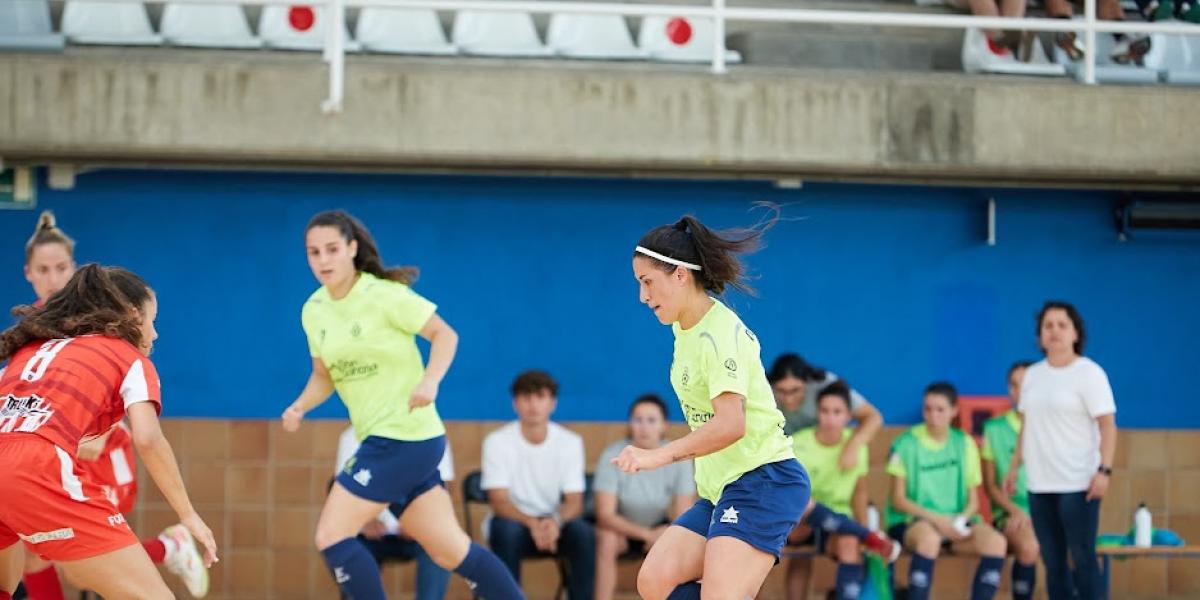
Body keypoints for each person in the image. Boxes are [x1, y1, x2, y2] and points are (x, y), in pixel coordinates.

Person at [281, 210, 522, 600]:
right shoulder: (314, 310)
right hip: (390, 442)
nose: (322, 260)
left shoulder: (384, 295)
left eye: (331, 249)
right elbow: (324, 376)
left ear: (352, 249)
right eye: (313, 252)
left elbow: (445, 335)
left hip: (403, 437)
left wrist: (430, 381)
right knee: (451, 551)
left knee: (332, 535)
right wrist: (299, 406)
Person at [613, 211, 810, 600]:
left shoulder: (719, 334)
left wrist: (659, 456)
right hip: (724, 488)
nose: (643, 296)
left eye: (648, 282)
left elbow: (730, 425)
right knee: (654, 582)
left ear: (681, 276)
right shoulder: (683, 328)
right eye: (639, 283)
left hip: (763, 481)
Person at [18, 212, 209, 600]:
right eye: (44, 269)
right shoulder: (32, 331)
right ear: (28, 273)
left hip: (98, 453)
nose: (53, 278)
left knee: (81, 568)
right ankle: (170, 547)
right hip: (45, 456)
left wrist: (98, 432)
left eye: (61, 268)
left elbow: (123, 415)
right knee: (36, 558)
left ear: (75, 270)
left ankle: (171, 547)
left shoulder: (102, 324)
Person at [1006, 301, 1116, 600]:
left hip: (1078, 483)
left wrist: (1104, 471)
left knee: (1082, 559)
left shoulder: (1089, 374)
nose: (1054, 331)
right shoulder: (1033, 376)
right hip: (1041, 484)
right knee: (1053, 564)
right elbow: (1027, 425)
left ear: (1075, 333)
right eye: (1047, 326)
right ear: (1040, 336)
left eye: (1061, 325)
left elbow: (1107, 425)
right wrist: (1015, 467)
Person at [886, 382, 1007, 600]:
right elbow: (898, 500)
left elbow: (973, 502)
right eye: (928, 409)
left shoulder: (964, 443)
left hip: (956, 524)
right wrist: (939, 520)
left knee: (996, 543)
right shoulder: (904, 443)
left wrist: (959, 520)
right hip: (914, 521)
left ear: (954, 411)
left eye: (940, 409)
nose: (933, 416)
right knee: (928, 541)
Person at [482, 370, 594, 600]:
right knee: (504, 530)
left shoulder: (570, 442)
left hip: (554, 524)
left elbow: (575, 502)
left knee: (583, 533)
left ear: (552, 403)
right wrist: (532, 523)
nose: (533, 404)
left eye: (540, 396)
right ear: (515, 403)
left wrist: (553, 522)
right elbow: (498, 500)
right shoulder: (496, 441)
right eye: (526, 397)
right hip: (516, 523)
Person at [331, 425, 455, 600]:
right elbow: (341, 492)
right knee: (340, 543)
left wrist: (417, 521)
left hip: (418, 530)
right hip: (366, 533)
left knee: (442, 540)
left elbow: (445, 490)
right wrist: (363, 521)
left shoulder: (432, 432)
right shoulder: (352, 435)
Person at [592, 394, 696, 600]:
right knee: (606, 539)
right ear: (630, 424)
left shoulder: (678, 457)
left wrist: (664, 535)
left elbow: (684, 513)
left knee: (685, 542)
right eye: (638, 420)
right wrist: (647, 535)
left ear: (664, 425)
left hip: (661, 527)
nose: (644, 427)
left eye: (651, 420)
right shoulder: (612, 454)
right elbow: (605, 515)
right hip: (621, 527)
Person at [784, 382, 872, 600]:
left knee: (850, 542)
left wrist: (863, 527)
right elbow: (791, 494)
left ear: (848, 415)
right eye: (824, 411)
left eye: (837, 412)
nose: (830, 418)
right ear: (817, 412)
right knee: (798, 541)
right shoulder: (798, 443)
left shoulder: (857, 447)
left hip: (838, 521)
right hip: (802, 518)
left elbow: (859, 493)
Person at [980, 361, 1039, 600]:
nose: (1019, 391)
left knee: (1078, 550)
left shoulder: (1052, 427)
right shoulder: (994, 429)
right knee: (1029, 547)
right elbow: (990, 485)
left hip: (1046, 512)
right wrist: (1015, 510)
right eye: (1014, 385)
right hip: (1010, 514)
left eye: (1026, 385)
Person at [768, 353, 883, 471]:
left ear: (808, 380)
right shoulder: (763, 389)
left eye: (795, 390)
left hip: (826, 455)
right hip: (783, 455)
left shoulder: (825, 384)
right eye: (781, 390)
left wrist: (852, 446)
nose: (789, 399)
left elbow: (873, 416)